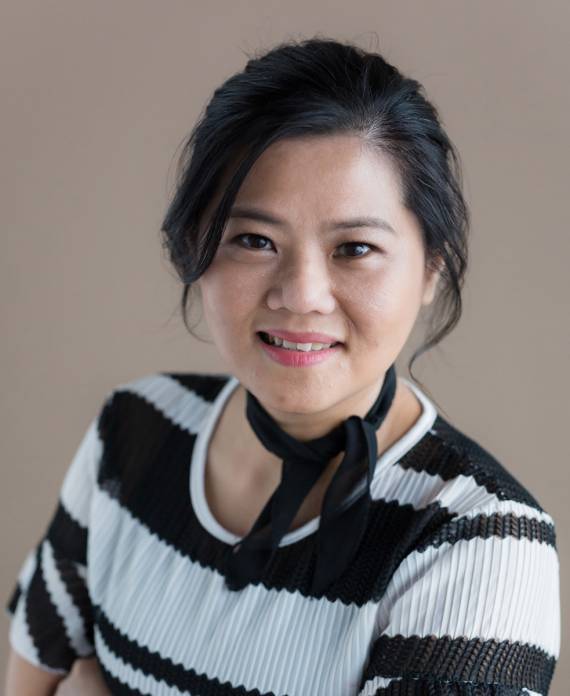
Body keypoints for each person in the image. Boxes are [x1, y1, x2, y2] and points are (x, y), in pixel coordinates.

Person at [4, 36, 560, 696]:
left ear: (431, 269)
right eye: (254, 240)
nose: (300, 295)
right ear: (196, 248)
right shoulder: (134, 429)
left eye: (355, 248)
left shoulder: (481, 540)